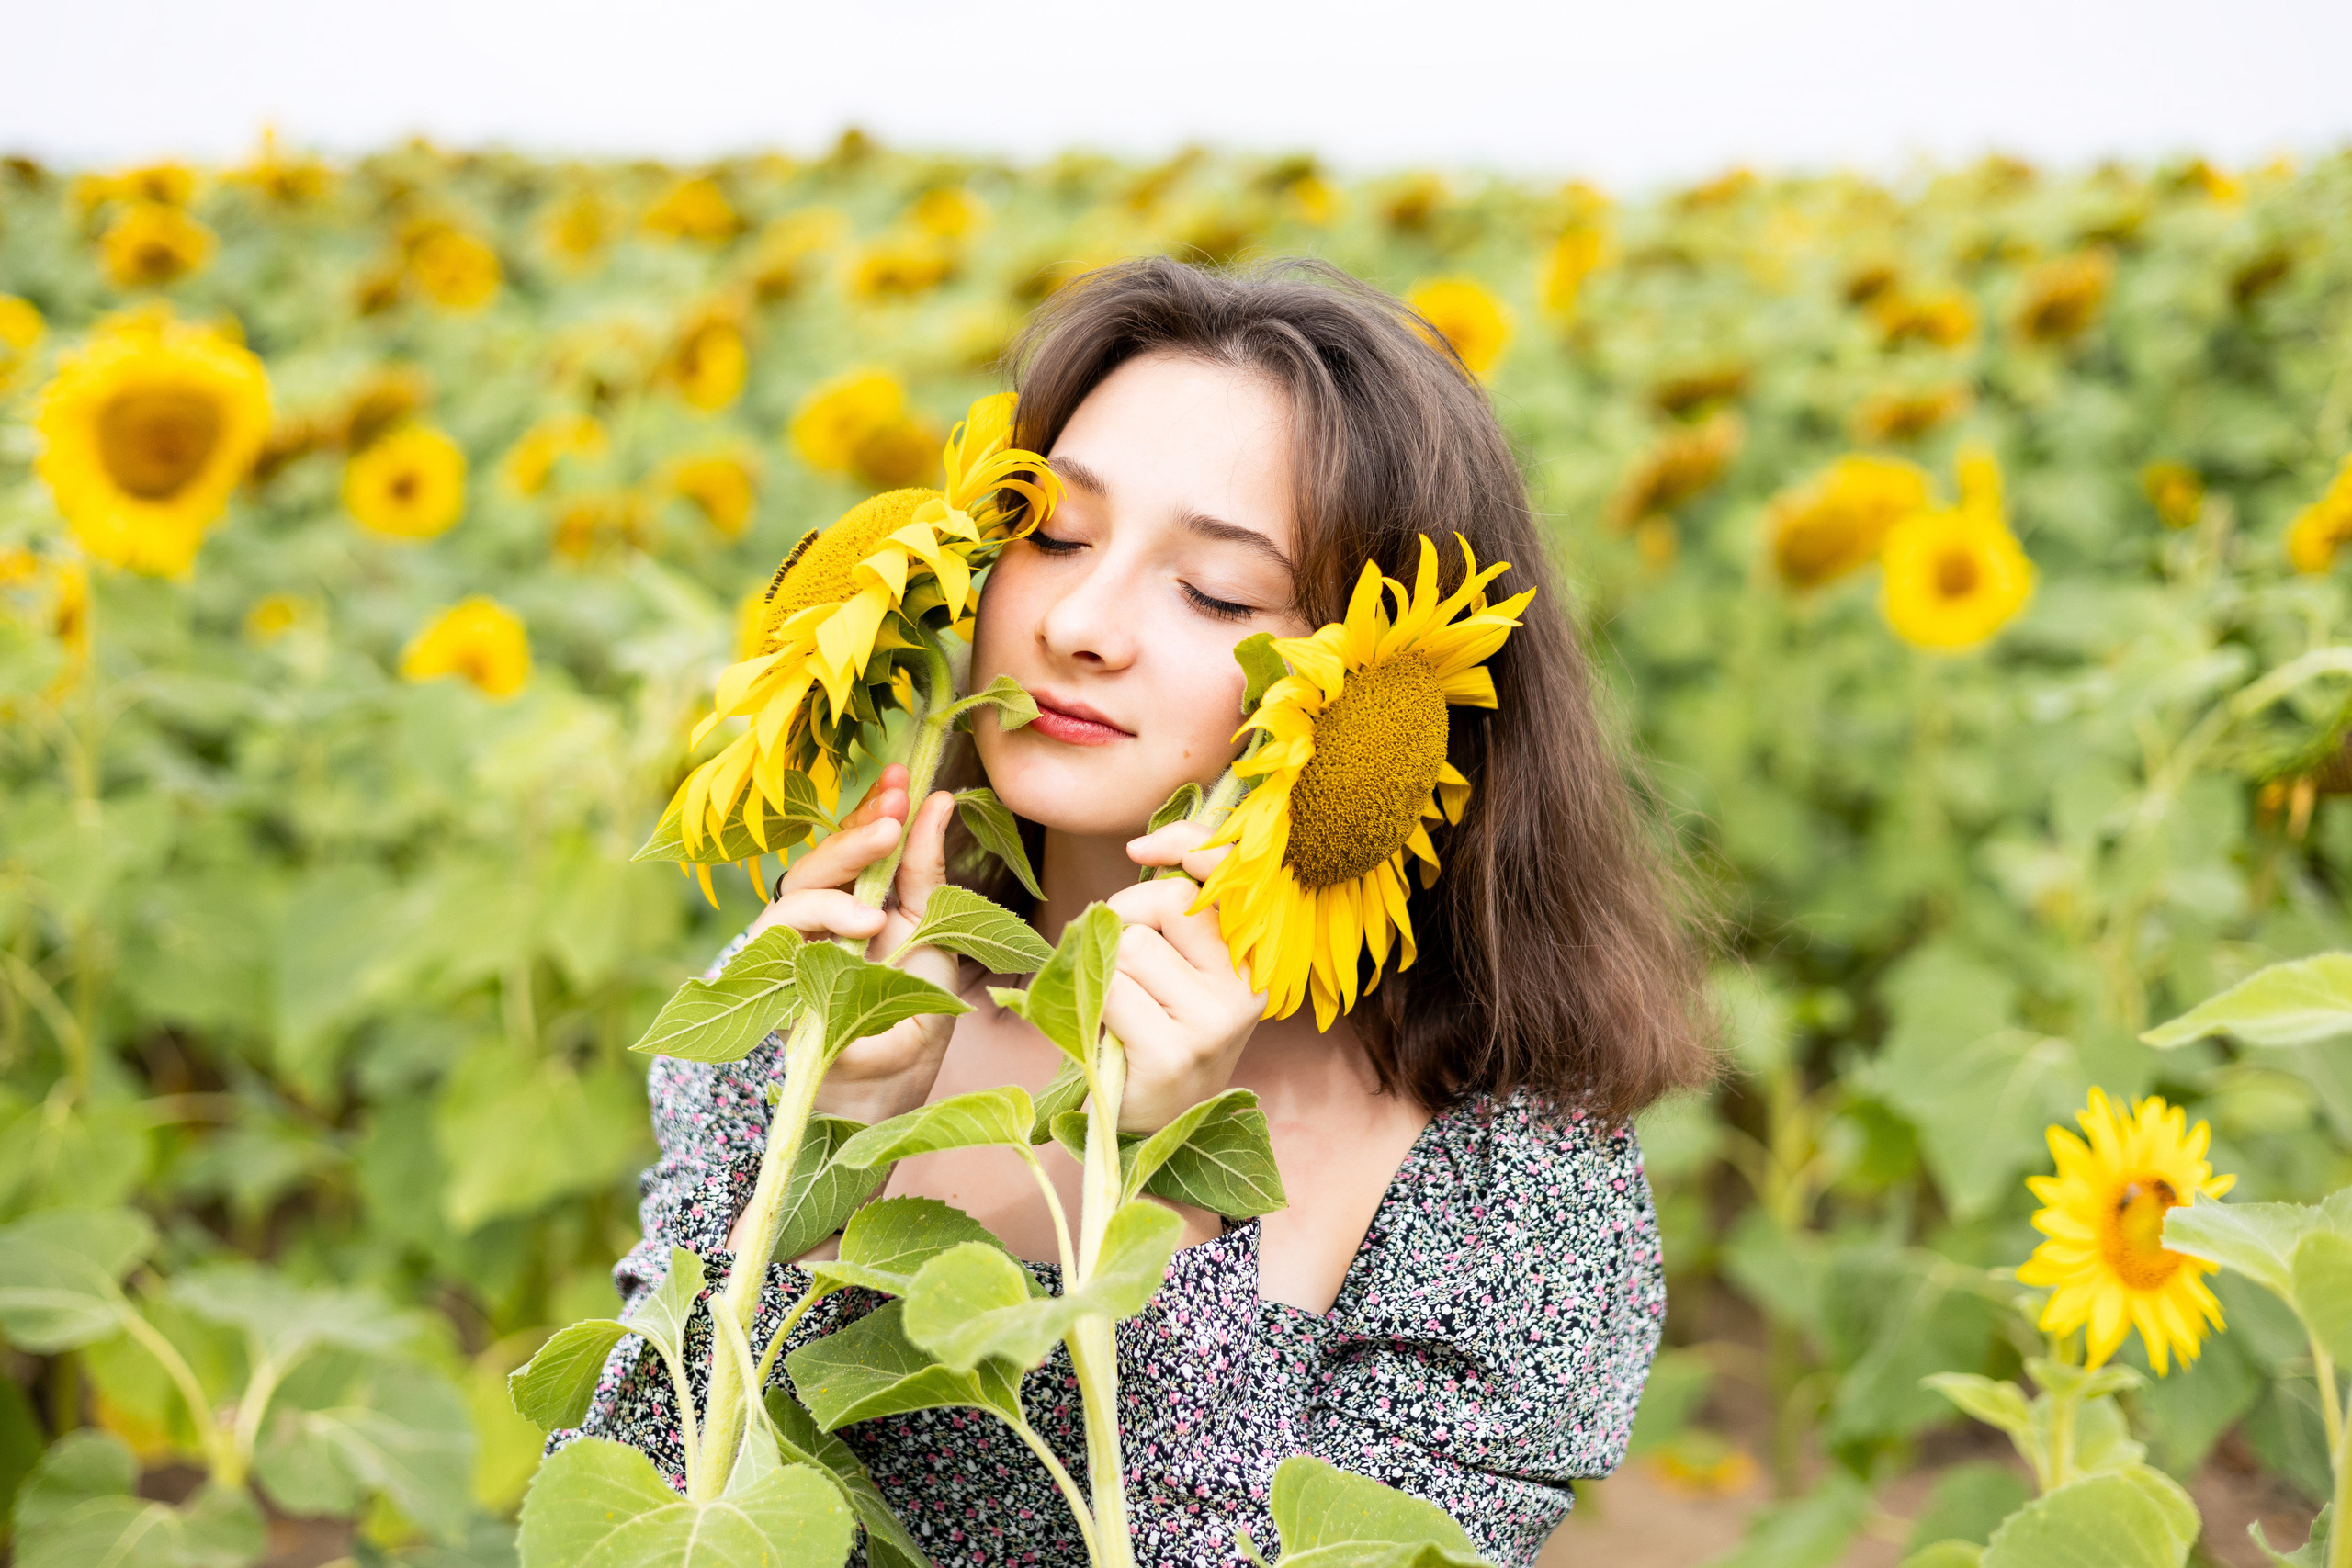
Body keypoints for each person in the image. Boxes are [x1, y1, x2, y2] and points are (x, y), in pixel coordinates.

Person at [562, 256, 1715, 1566]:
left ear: (1371, 697)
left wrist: (1183, 1199)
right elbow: (635, 1519)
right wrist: (807, 1160)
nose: (1082, 622)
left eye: (1217, 592)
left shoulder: (1507, 1186)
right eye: (1051, 537)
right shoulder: (821, 994)